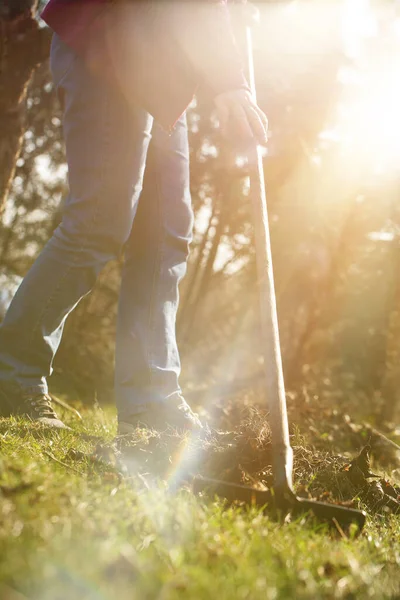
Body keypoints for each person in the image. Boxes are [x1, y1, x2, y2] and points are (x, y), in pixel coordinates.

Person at [0, 0, 267, 432]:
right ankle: (14, 375)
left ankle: (150, 402)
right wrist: (229, 79)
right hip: (108, 37)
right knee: (99, 221)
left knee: (165, 236)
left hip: (161, 72)